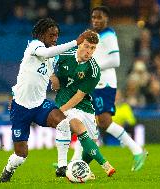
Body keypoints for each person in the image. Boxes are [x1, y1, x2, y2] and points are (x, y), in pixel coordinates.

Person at [0, 18, 114, 183]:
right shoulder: (34, 46)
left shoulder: (54, 57)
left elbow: (53, 75)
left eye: (56, 36)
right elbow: (44, 55)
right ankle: (8, 170)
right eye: (51, 35)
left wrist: (59, 81)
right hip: (21, 108)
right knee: (21, 155)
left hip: (39, 105)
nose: (54, 39)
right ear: (41, 34)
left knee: (63, 122)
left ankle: (62, 166)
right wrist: (76, 42)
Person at [73, 6, 147, 172]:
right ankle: (74, 163)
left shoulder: (109, 35)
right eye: (94, 17)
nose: (96, 20)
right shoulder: (96, 36)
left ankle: (137, 150)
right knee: (86, 121)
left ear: (107, 19)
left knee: (104, 122)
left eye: (100, 17)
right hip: (95, 83)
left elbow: (115, 60)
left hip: (104, 84)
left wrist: (93, 67)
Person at [51, 30, 115, 178]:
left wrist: (60, 111)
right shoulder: (64, 55)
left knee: (92, 146)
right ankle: (105, 165)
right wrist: (52, 76)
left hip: (84, 106)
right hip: (64, 101)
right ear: (79, 44)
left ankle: (76, 168)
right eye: (86, 46)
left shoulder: (93, 70)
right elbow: (50, 70)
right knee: (76, 124)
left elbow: (80, 96)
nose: (89, 51)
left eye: (92, 48)